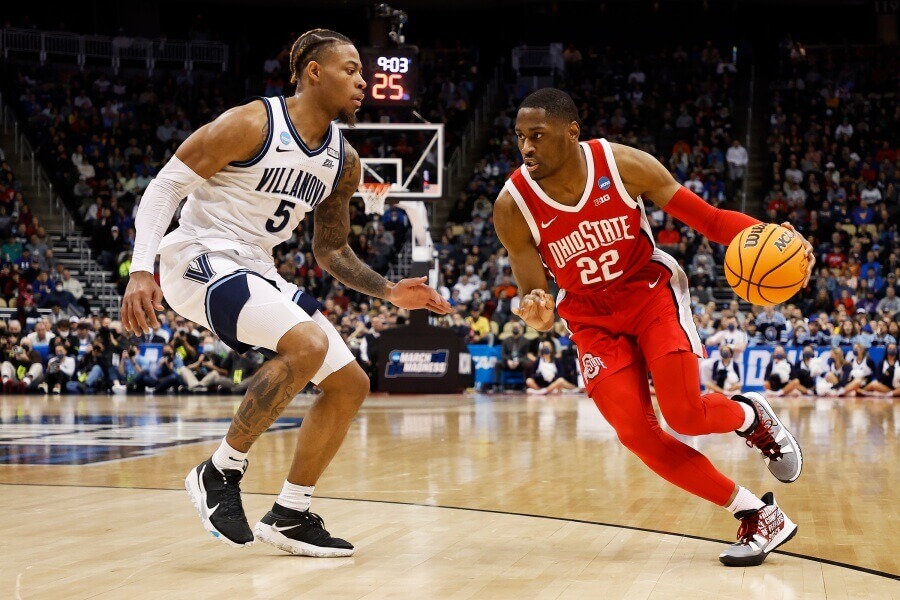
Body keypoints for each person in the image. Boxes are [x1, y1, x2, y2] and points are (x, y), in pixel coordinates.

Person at [121, 29, 450, 557]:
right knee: (308, 345)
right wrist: (142, 270)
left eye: (363, 73)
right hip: (198, 256)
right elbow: (165, 186)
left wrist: (388, 290)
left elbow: (332, 251)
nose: (363, 81)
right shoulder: (253, 122)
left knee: (349, 384)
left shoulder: (343, 160)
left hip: (256, 267)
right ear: (314, 72)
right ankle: (219, 472)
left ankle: (291, 513)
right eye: (352, 70)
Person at [493, 89, 813, 567]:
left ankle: (751, 417)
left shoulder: (622, 165)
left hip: (650, 294)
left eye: (538, 136)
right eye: (521, 138)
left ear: (572, 132)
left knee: (685, 414)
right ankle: (755, 514)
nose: (527, 148)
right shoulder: (512, 205)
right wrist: (536, 313)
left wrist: (775, 237)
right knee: (637, 434)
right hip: (588, 318)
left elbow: (710, 221)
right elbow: (534, 295)